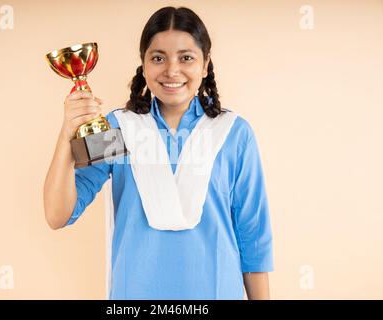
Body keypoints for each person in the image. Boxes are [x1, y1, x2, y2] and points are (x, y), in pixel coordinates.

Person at [43, 6, 273, 300]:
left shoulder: (234, 133)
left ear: (205, 65)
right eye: (158, 58)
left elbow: (253, 236)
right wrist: (66, 137)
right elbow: (58, 214)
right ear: (144, 64)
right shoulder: (118, 130)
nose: (172, 70)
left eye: (186, 57)